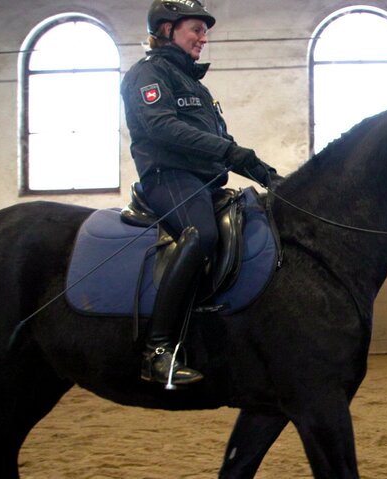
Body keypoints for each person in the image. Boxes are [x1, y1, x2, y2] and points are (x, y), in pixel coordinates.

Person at [121, 0, 277, 387]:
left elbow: (219, 142)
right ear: (166, 29)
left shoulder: (195, 86)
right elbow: (161, 128)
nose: (203, 38)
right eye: (196, 29)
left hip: (205, 182)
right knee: (201, 234)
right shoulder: (148, 74)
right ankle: (157, 352)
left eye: (204, 31)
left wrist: (265, 173)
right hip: (168, 177)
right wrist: (229, 151)